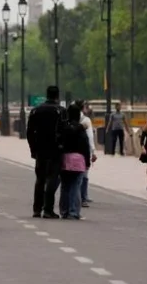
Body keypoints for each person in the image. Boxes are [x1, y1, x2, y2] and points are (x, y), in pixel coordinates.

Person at [26, 86, 66, 219]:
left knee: (40, 179)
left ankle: (37, 209)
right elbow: (65, 131)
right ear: (57, 96)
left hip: (40, 150)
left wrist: (33, 149)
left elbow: (29, 132)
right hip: (56, 149)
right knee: (52, 179)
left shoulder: (36, 111)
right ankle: (48, 209)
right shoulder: (61, 111)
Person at [58, 105, 91, 220]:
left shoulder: (64, 127)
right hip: (78, 160)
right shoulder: (81, 129)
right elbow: (85, 146)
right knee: (75, 187)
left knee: (65, 186)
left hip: (65, 159)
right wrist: (87, 162)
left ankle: (64, 211)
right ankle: (74, 212)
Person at [75, 100, 97, 207]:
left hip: (71, 150)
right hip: (84, 151)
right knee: (84, 174)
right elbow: (90, 137)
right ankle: (83, 197)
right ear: (83, 108)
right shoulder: (86, 120)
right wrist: (93, 152)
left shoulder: (69, 118)